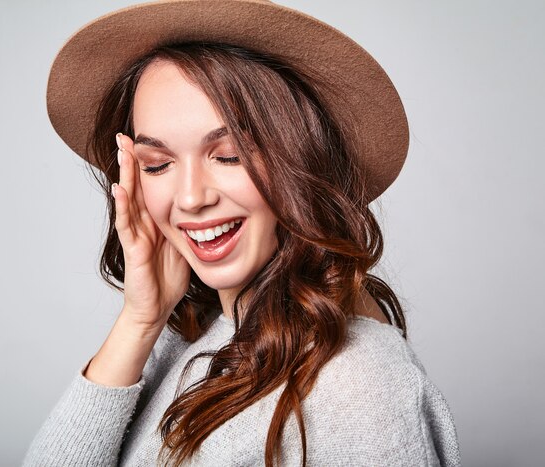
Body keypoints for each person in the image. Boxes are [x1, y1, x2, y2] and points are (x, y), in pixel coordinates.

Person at [23, 1, 461, 466]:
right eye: (159, 164)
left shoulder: (358, 385)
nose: (190, 198)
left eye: (228, 156)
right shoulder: (189, 338)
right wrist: (140, 321)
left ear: (300, 161)